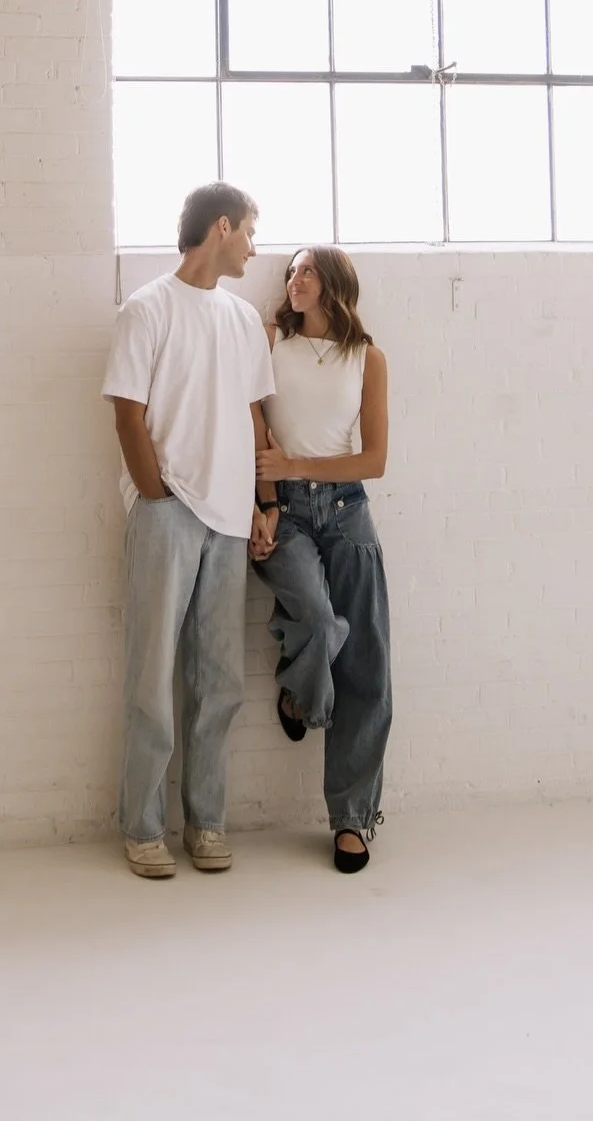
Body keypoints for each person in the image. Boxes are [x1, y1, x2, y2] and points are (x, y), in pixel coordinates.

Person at [102, 182, 277, 879]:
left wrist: (267, 505)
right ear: (223, 226)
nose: (255, 248)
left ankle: (206, 823)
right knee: (151, 678)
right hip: (168, 511)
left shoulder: (240, 319)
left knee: (220, 681)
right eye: (251, 234)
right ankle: (142, 828)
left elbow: (256, 418)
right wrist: (155, 490)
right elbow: (126, 410)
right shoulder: (147, 309)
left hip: (231, 520)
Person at [251, 246, 391, 874]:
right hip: (286, 514)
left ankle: (352, 820)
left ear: (334, 281)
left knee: (367, 662)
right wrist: (271, 494)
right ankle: (304, 696)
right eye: (290, 272)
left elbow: (372, 461)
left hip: (347, 512)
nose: (293, 279)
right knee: (316, 614)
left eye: (306, 270)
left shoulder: (369, 359)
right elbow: (255, 425)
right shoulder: (269, 339)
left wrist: (297, 466)